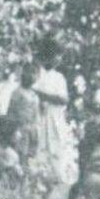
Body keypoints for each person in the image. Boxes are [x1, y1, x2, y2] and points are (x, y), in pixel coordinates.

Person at [33, 35, 77, 185]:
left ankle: (52, 180)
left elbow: (63, 99)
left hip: (54, 118)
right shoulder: (37, 73)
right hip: (39, 117)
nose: (59, 59)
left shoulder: (58, 77)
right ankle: (38, 180)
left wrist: (41, 95)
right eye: (57, 55)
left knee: (55, 150)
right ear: (49, 56)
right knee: (39, 148)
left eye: (60, 56)